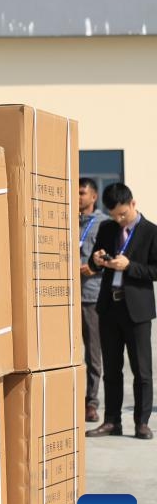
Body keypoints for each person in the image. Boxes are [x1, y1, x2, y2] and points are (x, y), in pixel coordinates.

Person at [86, 183, 156, 440]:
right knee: (112, 369)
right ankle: (112, 421)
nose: (118, 219)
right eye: (114, 215)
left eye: (123, 214)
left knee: (142, 370)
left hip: (137, 310)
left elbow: (155, 270)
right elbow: (96, 262)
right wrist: (97, 259)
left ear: (133, 204)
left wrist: (130, 266)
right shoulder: (106, 228)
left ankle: (142, 422)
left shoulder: (150, 231)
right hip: (109, 307)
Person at [79, 178, 108, 422]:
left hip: (90, 296)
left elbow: (111, 258)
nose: (78, 198)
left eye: (82, 193)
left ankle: (92, 401)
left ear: (93, 197)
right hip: (65, 299)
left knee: (93, 353)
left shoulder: (103, 224)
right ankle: (71, 397)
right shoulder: (66, 220)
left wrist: (93, 268)